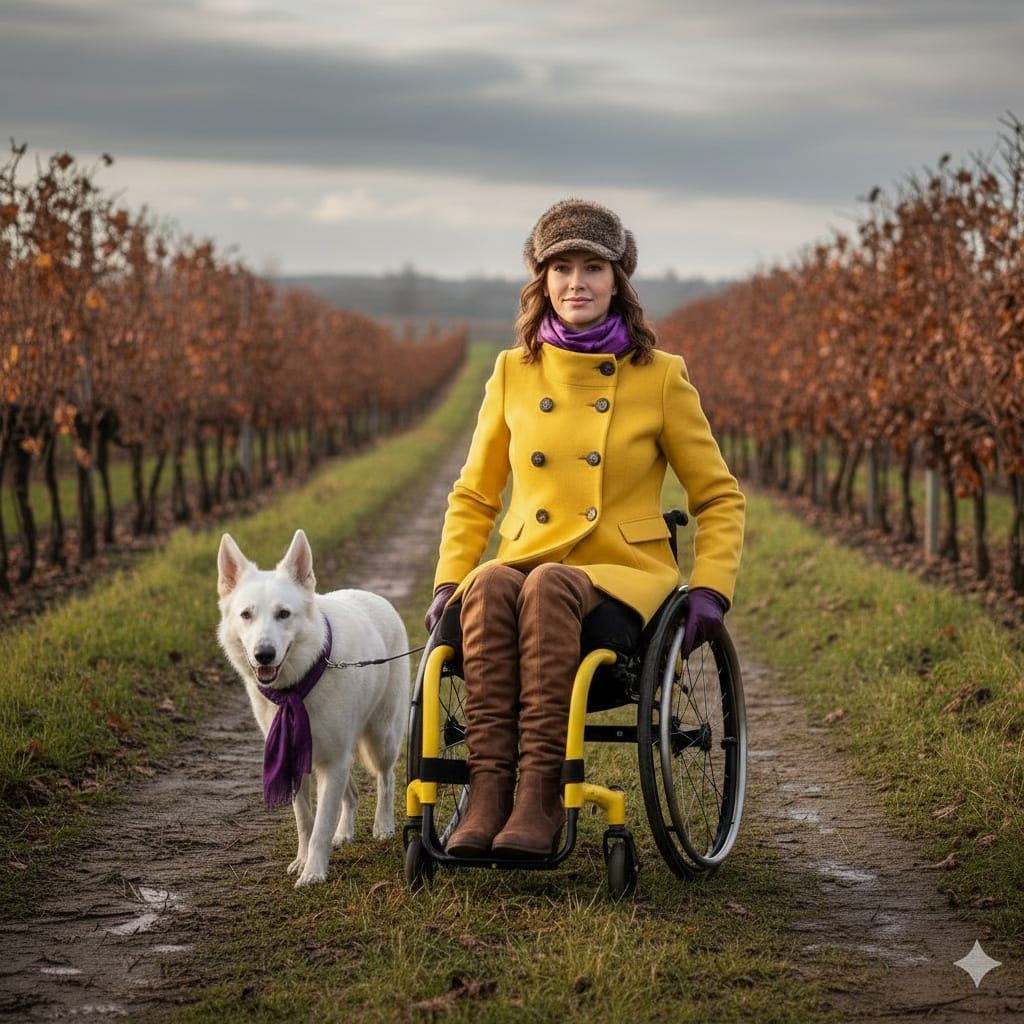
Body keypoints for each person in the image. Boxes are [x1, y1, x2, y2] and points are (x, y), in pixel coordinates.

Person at [423, 198, 745, 859]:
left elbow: (718, 495)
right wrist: (449, 578)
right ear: (541, 281)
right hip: (526, 566)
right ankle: (487, 795)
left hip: (623, 579)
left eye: (592, 267)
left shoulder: (660, 377)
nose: (576, 282)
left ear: (617, 280)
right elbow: (475, 494)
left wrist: (710, 589)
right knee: (489, 587)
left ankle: (539, 796)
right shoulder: (513, 371)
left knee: (549, 585)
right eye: (561, 267)